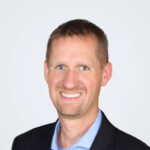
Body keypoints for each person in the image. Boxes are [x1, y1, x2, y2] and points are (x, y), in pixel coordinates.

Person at [12, 19, 149, 150]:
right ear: (46, 72)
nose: (69, 83)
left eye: (83, 68)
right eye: (60, 67)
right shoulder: (24, 144)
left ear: (105, 75)